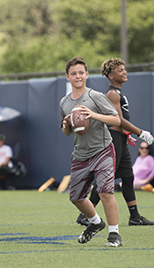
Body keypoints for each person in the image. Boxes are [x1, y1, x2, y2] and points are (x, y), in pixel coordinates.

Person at [76, 58, 154, 227]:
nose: (124, 72)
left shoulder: (118, 92)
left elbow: (120, 121)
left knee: (127, 176)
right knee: (107, 178)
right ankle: (85, 215)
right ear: (111, 75)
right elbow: (117, 120)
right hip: (113, 139)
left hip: (121, 138)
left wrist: (127, 134)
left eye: (124, 70)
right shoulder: (112, 93)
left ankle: (135, 217)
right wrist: (140, 133)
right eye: (120, 71)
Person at [60, 56, 122, 247]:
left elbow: (116, 120)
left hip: (103, 150)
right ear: (67, 77)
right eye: (73, 73)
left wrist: (93, 114)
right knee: (76, 197)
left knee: (105, 192)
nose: (78, 76)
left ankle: (114, 235)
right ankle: (96, 223)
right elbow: (67, 132)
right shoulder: (64, 102)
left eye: (81, 72)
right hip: (80, 154)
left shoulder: (95, 96)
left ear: (86, 74)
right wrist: (66, 125)